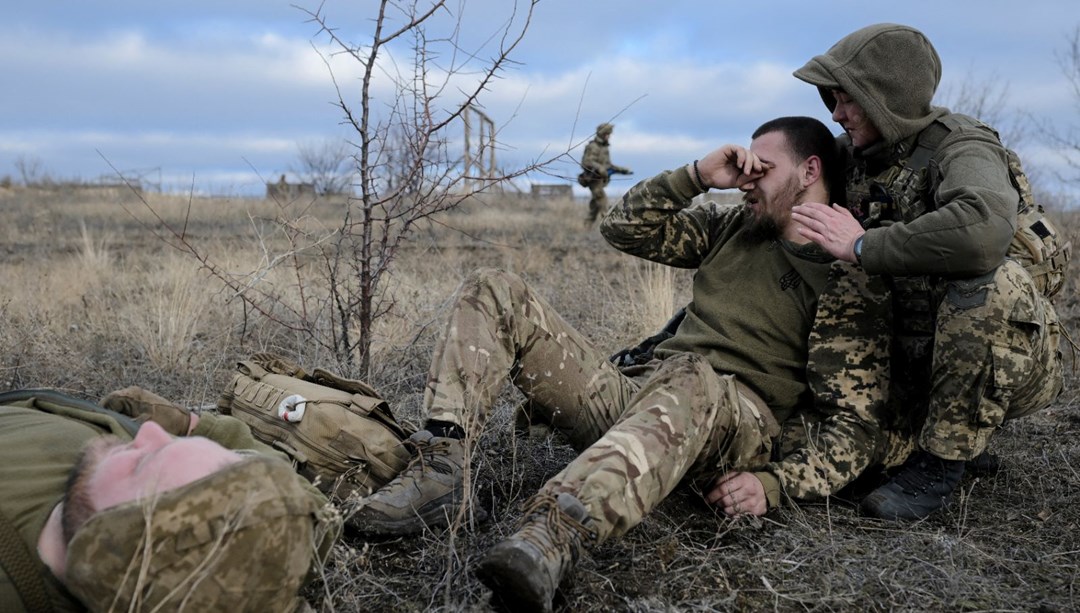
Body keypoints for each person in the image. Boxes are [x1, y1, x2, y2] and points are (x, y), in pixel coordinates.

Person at [347, 116, 884, 611]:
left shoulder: (846, 275)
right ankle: (443, 468)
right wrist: (697, 175)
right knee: (496, 289)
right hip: (646, 398)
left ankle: (552, 536)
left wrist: (772, 485)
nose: (746, 180)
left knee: (691, 373)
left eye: (762, 169)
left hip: (731, 424)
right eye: (745, 167)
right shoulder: (734, 228)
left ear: (810, 170)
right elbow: (624, 229)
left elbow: (854, 429)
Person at [788, 23, 1065, 521]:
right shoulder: (850, 157)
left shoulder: (963, 147)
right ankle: (922, 434)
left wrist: (861, 244)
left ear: (886, 97)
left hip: (1012, 360)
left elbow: (982, 231)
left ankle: (941, 463)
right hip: (904, 360)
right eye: (831, 98)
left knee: (989, 282)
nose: (836, 114)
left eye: (847, 99)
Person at [0, 387, 340, 613]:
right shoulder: (99, 487)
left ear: (112, 541)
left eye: (144, 463)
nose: (148, 431)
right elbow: (310, 509)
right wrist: (193, 426)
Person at [579, 122, 632, 225]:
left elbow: (608, 165)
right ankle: (610, 228)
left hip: (601, 181)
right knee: (603, 204)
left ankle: (585, 229)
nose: (609, 136)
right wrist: (600, 168)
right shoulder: (593, 146)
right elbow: (586, 162)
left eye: (610, 134)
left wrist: (622, 170)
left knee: (595, 207)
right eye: (607, 134)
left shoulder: (604, 147)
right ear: (603, 134)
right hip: (594, 179)